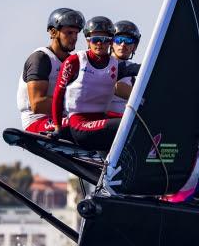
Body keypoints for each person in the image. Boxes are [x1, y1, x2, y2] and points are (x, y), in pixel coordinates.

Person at [50, 16, 139, 150]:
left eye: (105, 40)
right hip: (80, 124)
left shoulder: (115, 65)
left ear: (110, 42)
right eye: (95, 39)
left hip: (100, 121)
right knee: (127, 125)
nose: (99, 44)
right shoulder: (75, 61)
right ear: (87, 41)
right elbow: (58, 95)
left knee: (139, 124)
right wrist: (57, 128)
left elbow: (143, 68)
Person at [17, 8, 85, 133]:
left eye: (76, 33)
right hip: (37, 122)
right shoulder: (41, 58)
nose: (74, 37)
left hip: (63, 118)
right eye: (69, 33)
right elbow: (37, 104)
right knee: (86, 122)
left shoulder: (74, 61)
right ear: (53, 32)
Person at [108, 20, 141, 115]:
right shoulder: (102, 63)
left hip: (125, 121)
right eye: (118, 40)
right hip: (103, 119)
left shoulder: (132, 74)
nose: (123, 45)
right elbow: (116, 87)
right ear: (111, 43)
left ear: (134, 47)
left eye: (128, 41)